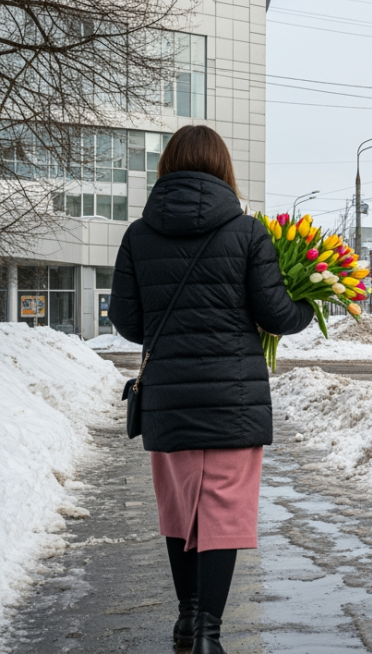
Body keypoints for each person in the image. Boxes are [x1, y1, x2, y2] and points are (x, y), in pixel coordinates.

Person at [109, 125, 313, 654]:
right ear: (223, 168)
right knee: (221, 512)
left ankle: (185, 621)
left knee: (180, 512)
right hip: (233, 399)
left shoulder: (138, 234)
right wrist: (305, 307)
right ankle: (208, 633)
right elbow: (275, 313)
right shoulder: (247, 233)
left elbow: (127, 321)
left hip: (170, 400)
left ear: (167, 167)